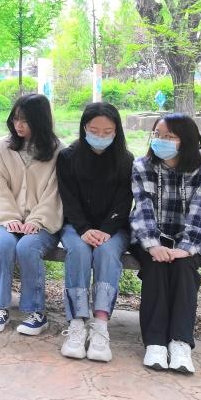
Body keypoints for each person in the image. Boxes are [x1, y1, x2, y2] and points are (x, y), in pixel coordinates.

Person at [130, 113, 201, 374]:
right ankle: (155, 343)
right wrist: (153, 245)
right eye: (158, 135)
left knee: (184, 268)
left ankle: (180, 343)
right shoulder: (142, 166)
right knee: (156, 266)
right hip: (149, 236)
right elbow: (143, 209)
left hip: (189, 238)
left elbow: (199, 215)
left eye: (169, 136)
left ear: (186, 140)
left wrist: (184, 249)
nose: (161, 141)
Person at [56, 102, 134, 362]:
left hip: (113, 229)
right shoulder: (67, 157)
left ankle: (100, 324)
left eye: (107, 131)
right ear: (84, 128)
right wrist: (83, 228)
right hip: (76, 225)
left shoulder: (126, 160)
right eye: (94, 130)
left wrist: (105, 230)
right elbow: (68, 199)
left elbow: (124, 202)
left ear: (116, 131)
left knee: (107, 253)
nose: (101, 136)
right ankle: (77, 323)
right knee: (78, 251)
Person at [0, 93, 63, 336]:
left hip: (43, 222)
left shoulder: (58, 150)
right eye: (15, 119)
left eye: (26, 120)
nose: (18, 125)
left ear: (40, 121)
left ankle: (36, 312)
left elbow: (55, 193)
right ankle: (1, 307)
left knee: (28, 247)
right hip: (6, 219)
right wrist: (9, 218)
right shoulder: (4, 146)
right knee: (2, 246)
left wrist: (36, 221)